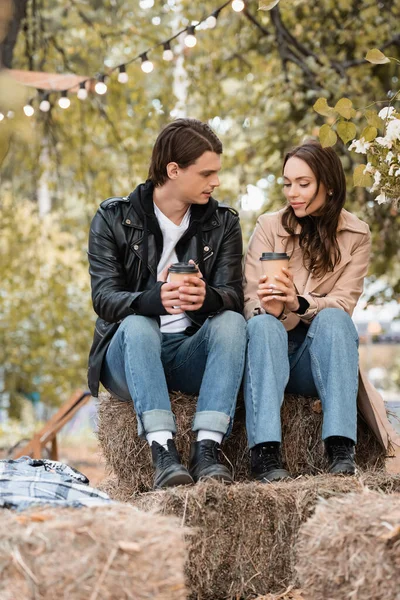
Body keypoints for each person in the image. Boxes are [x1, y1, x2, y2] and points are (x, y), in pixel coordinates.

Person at [88, 118, 246, 489]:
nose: (216, 182)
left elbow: (234, 296)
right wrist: (152, 299)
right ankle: (163, 451)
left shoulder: (223, 223)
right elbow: (105, 299)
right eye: (207, 173)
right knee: (139, 323)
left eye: (217, 173)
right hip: (128, 356)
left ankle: (207, 449)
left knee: (232, 322)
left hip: (190, 352)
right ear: (173, 170)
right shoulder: (113, 218)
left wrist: (207, 298)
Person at [243, 139, 398, 482]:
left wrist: (299, 302)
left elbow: (344, 302)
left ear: (328, 186)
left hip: (318, 359)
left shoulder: (356, 235)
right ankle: (265, 453)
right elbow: (249, 300)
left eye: (303, 183)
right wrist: (272, 308)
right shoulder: (269, 227)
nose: (292, 193)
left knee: (334, 318)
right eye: (287, 183)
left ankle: (341, 447)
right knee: (262, 326)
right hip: (270, 352)